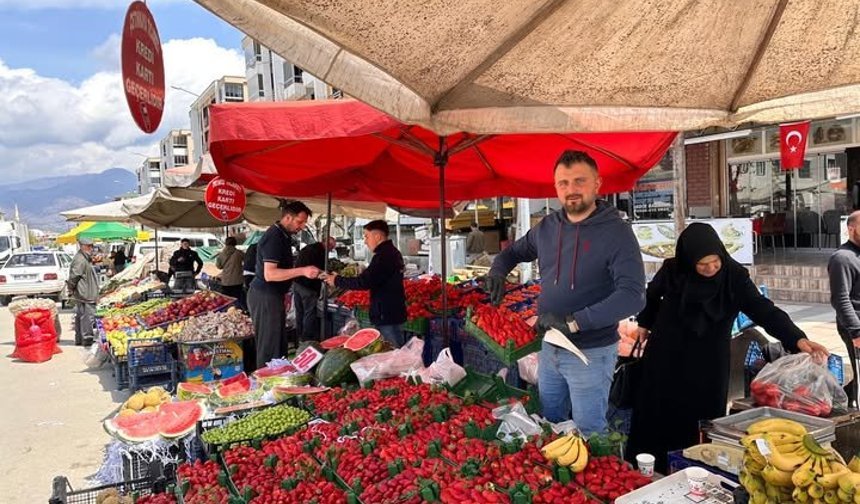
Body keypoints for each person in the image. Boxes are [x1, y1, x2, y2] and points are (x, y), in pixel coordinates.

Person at [628, 223, 829, 472]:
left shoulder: (734, 277)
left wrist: (797, 339)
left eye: (715, 261)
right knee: (657, 411)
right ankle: (649, 464)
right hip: (666, 355)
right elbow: (651, 295)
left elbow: (763, 309)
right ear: (689, 260)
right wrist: (645, 323)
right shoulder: (673, 270)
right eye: (702, 264)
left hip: (708, 362)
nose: (711, 268)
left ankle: (694, 466)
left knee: (700, 418)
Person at [486, 150, 646, 435]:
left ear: (597, 184)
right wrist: (497, 270)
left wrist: (574, 321)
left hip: (591, 352)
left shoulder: (616, 233)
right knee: (551, 421)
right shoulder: (547, 227)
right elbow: (512, 253)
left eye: (579, 181)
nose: (570, 190)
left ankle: (600, 476)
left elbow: (633, 294)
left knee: (589, 430)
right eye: (563, 183)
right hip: (550, 347)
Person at [248, 201, 321, 369]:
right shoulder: (274, 237)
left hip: (272, 295)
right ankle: (266, 386)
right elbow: (270, 274)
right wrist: (302, 271)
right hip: (265, 295)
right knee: (269, 345)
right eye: (299, 222)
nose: (302, 227)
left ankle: (280, 380)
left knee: (278, 342)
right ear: (288, 217)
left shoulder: (283, 236)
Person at [325, 220, 407, 346]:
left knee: (393, 351)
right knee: (389, 349)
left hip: (386, 313)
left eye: (366, 236)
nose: (365, 241)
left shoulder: (384, 256)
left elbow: (364, 282)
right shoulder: (390, 253)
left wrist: (337, 280)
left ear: (378, 236)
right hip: (390, 310)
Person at [828, 210, 860, 407]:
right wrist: (856, 332)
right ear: (851, 229)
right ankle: (849, 408)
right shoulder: (843, 258)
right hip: (855, 325)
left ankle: (842, 402)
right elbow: (840, 299)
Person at [293, 237, 337, 342]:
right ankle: (307, 339)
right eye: (331, 247)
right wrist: (331, 276)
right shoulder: (320, 252)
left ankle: (299, 336)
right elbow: (320, 272)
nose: (331, 250)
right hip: (308, 287)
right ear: (326, 244)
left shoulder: (309, 247)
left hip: (296, 283)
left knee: (299, 311)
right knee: (309, 313)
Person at [67, 237, 100, 346]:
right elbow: (74, 276)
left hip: (85, 291)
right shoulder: (80, 259)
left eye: (92, 246)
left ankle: (80, 338)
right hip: (85, 293)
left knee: (81, 315)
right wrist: (71, 288)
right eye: (89, 246)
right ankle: (87, 339)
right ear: (83, 246)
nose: (91, 248)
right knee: (87, 316)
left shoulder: (84, 258)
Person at [216, 236, 245, 301]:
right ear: (235, 243)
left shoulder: (221, 254)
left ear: (226, 243)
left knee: (227, 300)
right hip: (238, 280)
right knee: (238, 299)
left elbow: (219, 266)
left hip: (226, 281)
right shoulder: (239, 253)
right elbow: (247, 260)